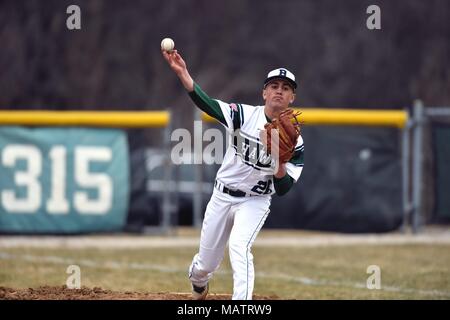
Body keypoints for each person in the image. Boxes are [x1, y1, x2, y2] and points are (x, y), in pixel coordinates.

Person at [162, 49, 304, 300]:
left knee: (239, 247)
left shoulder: (296, 142)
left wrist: (279, 161)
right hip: (222, 195)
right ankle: (198, 281)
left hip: (255, 200)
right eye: (273, 86)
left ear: (292, 97)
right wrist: (184, 73)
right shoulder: (243, 115)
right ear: (264, 93)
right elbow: (208, 105)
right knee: (205, 266)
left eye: (285, 87)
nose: (279, 90)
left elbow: (283, 188)